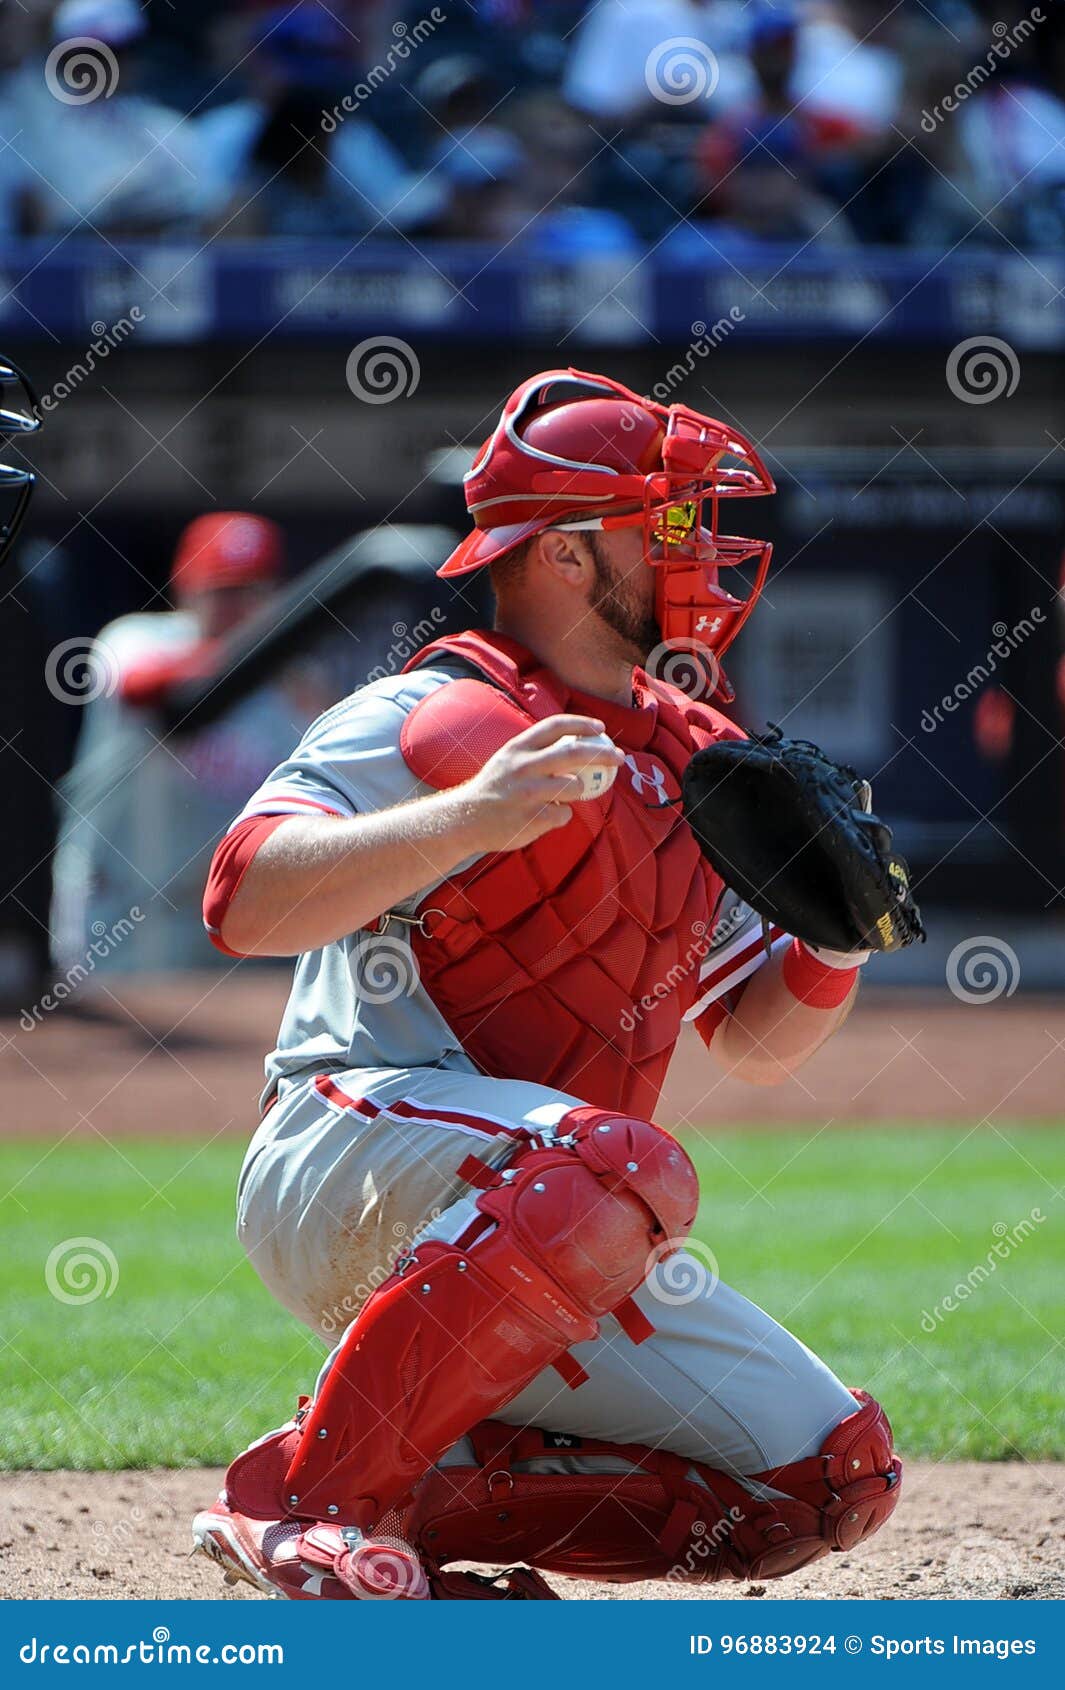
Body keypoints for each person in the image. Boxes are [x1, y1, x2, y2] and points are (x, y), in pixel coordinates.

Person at [193, 369, 901, 1601]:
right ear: (568, 556)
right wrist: (462, 816)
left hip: (555, 1217)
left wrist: (835, 942)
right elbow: (243, 899)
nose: (704, 551)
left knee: (830, 1478)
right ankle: (318, 1514)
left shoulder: (705, 760)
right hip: (348, 1151)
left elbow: (753, 1043)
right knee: (619, 1166)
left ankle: (376, 1498)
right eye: (670, 522)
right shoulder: (436, 708)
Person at [50, 512, 322, 975]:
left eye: (252, 590)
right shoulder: (135, 639)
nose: (238, 606)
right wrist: (256, 658)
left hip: (219, 912)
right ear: (185, 590)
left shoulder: (298, 685)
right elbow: (141, 687)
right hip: (118, 903)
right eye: (222, 589)